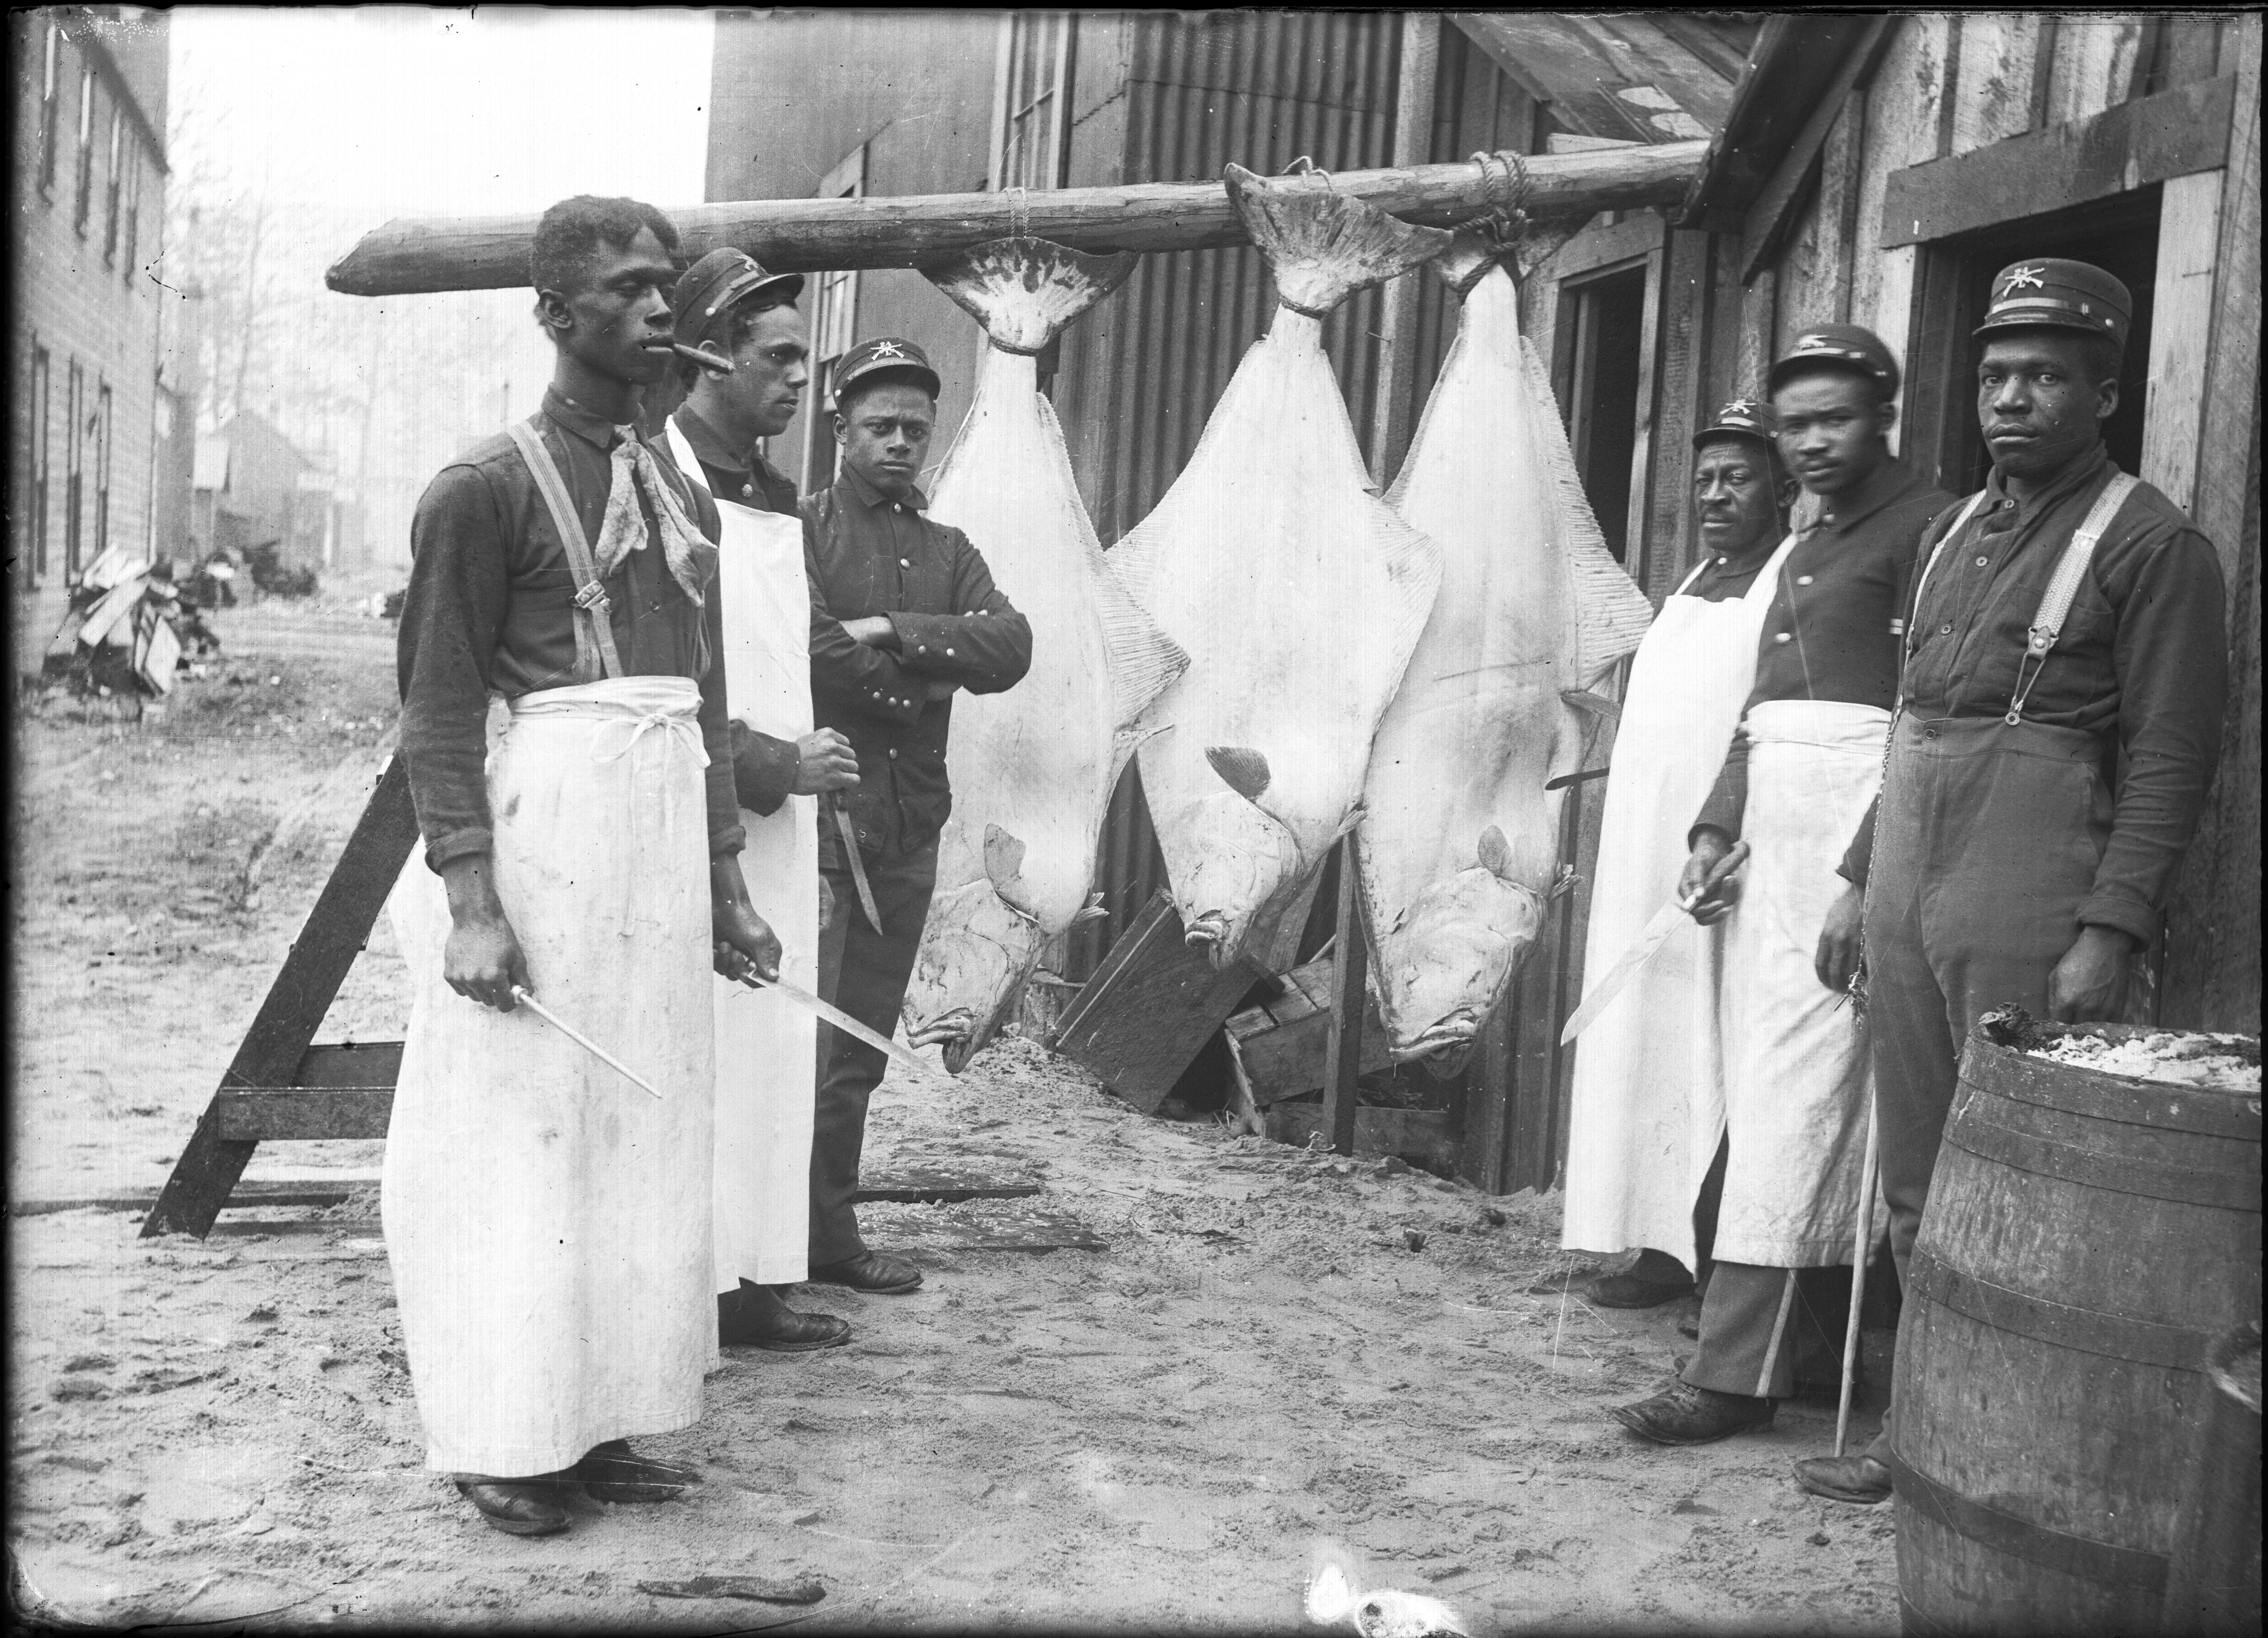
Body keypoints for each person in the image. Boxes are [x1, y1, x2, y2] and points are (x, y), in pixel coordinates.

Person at [1794, 260, 2229, 1504]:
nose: (2013, 398)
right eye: (1995, 374)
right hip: (1914, 854)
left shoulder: (2155, 544)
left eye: (2045, 375)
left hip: (2031, 872)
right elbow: (1913, 720)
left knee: (2020, 1169)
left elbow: (2172, 759)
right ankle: (1920, 1430)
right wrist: (1856, 877)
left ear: (2104, 391)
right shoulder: (1944, 536)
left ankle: (2018, 1447)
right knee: (1918, 1167)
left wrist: (2111, 928)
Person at [387, 195, 782, 1539]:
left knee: (640, 1138)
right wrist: (474, 904)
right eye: (624, 289)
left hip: (659, 836)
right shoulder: (481, 491)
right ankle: (505, 1437)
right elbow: (438, 712)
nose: (660, 308)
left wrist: (727, 885)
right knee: (527, 1141)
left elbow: (706, 703)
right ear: (556, 315)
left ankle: (597, 1421)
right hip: (548, 840)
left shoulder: (684, 493)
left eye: (665, 284)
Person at [1612, 329, 1953, 1445]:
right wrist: (1718, 827)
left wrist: (1864, 868)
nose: (1812, 442)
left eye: (1835, 419)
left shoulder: (1932, 528)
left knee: (1809, 1098)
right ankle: (1807, 1356)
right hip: (1778, 839)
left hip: (1864, 839)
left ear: (1883, 415)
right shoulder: (1805, 545)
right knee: (1773, 1093)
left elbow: (1925, 722)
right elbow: (1761, 714)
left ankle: (1732, 1373)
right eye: (1795, 422)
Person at [1559, 399, 1801, 1318]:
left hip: (1728, 851)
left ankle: (1720, 1265)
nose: (1715, 494)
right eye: (1704, 479)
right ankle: (1658, 1244)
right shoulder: (1693, 578)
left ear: (1782, 486)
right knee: (1645, 1041)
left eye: (1737, 476)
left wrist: (1730, 834)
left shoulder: (1786, 583)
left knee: (1721, 1044)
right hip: (1641, 847)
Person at [659, 249, 859, 1353]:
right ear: (709, 361)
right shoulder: (665, 479)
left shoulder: (775, 495)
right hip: (700, 821)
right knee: (696, 1054)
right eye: (779, 358)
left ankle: (756, 1281)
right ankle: (693, 1281)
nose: (800, 381)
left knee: (770, 1054)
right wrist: (776, 766)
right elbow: (669, 685)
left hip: (782, 838)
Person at [802, 337, 1032, 1294]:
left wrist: (897, 631)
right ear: (842, 429)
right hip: (823, 825)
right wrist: (928, 674)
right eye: (880, 427)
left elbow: (1011, 644)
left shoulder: (948, 551)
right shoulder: (803, 530)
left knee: (857, 1041)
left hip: (907, 830)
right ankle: (769, 1238)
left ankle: (827, 1235)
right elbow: (809, 648)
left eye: (914, 430)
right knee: (796, 1038)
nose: (900, 444)